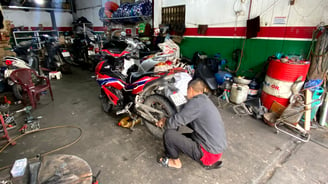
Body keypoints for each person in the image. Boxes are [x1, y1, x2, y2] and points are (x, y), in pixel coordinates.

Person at [156, 78, 227, 169]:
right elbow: (185, 118)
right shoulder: (204, 101)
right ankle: (177, 150)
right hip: (216, 149)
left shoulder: (196, 103)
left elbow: (175, 122)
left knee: (169, 135)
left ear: (190, 89)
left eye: (187, 90)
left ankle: (175, 163)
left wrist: (164, 121)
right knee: (179, 136)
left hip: (208, 154)